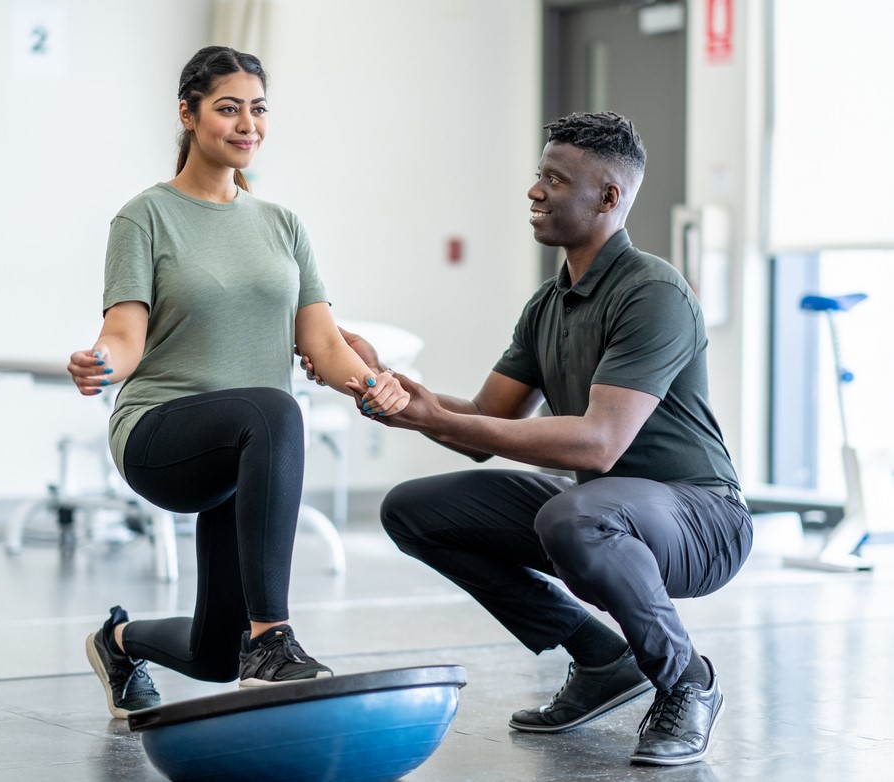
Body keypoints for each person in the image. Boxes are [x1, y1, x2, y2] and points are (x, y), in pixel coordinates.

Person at [300, 111, 752, 766]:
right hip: (603, 510)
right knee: (414, 511)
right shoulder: (548, 304)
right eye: (537, 176)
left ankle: (685, 681)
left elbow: (599, 444)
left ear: (607, 197)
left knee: (575, 515)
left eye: (552, 179)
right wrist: (386, 388)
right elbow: (487, 419)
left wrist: (439, 418)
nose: (533, 191)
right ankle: (602, 661)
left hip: (702, 519)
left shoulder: (652, 292)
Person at [67, 46, 409, 720]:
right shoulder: (146, 216)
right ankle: (272, 638)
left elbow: (323, 344)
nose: (246, 123)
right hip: (161, 432)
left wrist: (376, 384)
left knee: (212, 655)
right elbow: (124, 337)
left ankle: (119, 641)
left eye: (257, 109)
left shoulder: (282, 225)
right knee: (277, 410)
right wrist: (99, 361)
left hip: (245, 448)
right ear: (187, 115)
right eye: (228, 108)